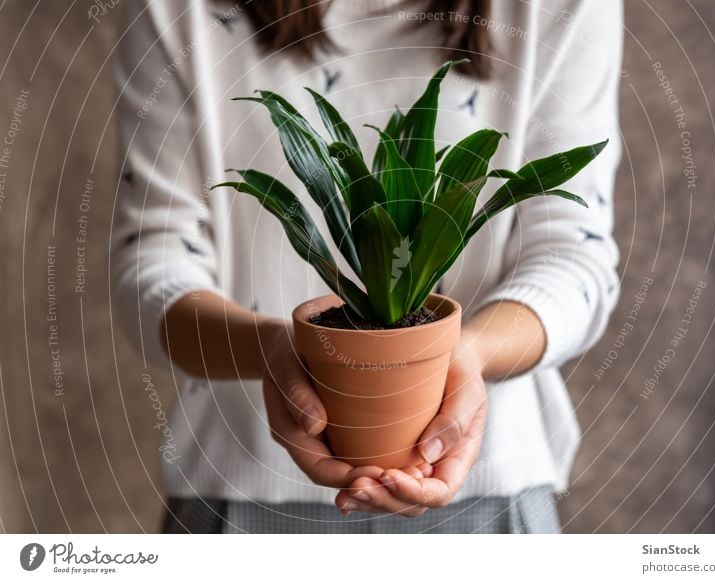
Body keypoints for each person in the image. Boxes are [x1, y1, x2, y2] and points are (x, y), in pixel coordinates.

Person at [112, 0, 623, 533]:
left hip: (487, 497)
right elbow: (153, 257)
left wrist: (465, 356)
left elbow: (573, 256)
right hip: (240, 495)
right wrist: (269, 347)